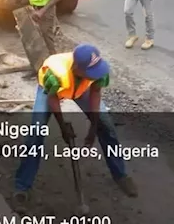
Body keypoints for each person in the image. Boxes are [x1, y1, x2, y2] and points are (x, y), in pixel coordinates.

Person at [12, 44, 139, 212]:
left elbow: (95, 92)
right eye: (89, 73)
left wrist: (94, 126)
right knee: (36, 132)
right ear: (77, 68)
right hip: (50, 90)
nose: (94, 75)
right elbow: (53, 98)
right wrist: (63, 126)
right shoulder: (56, 72)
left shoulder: (98, 68)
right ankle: (22, 185)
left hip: (81, 90)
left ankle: (121, 174)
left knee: (106, 126)